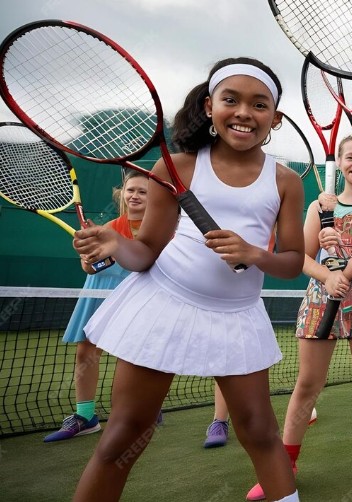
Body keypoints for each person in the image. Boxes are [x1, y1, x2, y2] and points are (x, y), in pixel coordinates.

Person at [71, 57, 304, 502]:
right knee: (125, 433)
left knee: (260, 431)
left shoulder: (286, 181)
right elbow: (145, 253)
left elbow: (293, 263)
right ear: (209, 105)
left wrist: (255, 254)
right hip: (163, 305)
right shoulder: (177, 167)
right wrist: (116, 245)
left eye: (259, 105)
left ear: (274, 118)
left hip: (238, 317)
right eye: (230, 100)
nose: (243, 113)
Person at [246, 133, 352, 501]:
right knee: (307, 385)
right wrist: (327, 276)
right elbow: (300, 255)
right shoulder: (319, 208)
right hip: (321, 298)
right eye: (350, 157)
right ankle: (285, 463)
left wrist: (342, 274)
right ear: (341, 163)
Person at [44, 171, 149, 443]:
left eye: (143, 192)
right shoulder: (109, 227)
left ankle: (140, 410)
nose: (135, 195)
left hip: (136, 294)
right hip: (99, 291)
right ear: (122, 194)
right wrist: (88, 255)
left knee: (134, 358)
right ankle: (86, 417)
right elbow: (92, 266)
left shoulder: (158, 231)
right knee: (86, 352)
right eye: (131, 190)